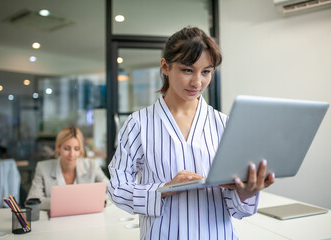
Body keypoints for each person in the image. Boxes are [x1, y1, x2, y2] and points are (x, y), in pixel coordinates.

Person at [108, 27, 275, 240]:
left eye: (206, 71)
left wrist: (246, 191)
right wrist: (164, 189)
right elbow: (117, 188)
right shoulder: (138, 124)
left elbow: (238, 209)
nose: (197, 82)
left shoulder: (224, 124)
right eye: (188, 70)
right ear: (165, 67)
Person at [27, 127, 109, 210]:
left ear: (81, 150)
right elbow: (32, 200)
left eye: (76, 149)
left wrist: (98, 200)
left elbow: (112, 191)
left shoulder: (92, 165)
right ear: (58, 147)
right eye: (67, 148)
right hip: (56, 221)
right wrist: (71, 203)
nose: (72, 154)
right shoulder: (43, 168)